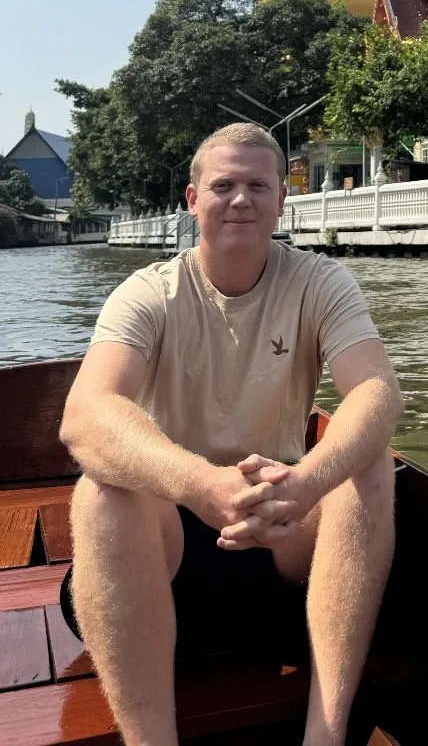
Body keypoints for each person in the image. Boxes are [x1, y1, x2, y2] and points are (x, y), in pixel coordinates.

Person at [59, 122, 402, 746]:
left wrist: (306, 482)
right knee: (101, 492)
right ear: (193, 200)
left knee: (370, 467)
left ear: (280, 199)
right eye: (223, 185)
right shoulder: (149, 293)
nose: (240, 199)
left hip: (282, 544)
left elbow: (376, 394)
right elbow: (84, 415)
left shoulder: (320, 282)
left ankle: (324, 736)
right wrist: (200, 484)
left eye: (256, 186)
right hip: (166, 564)